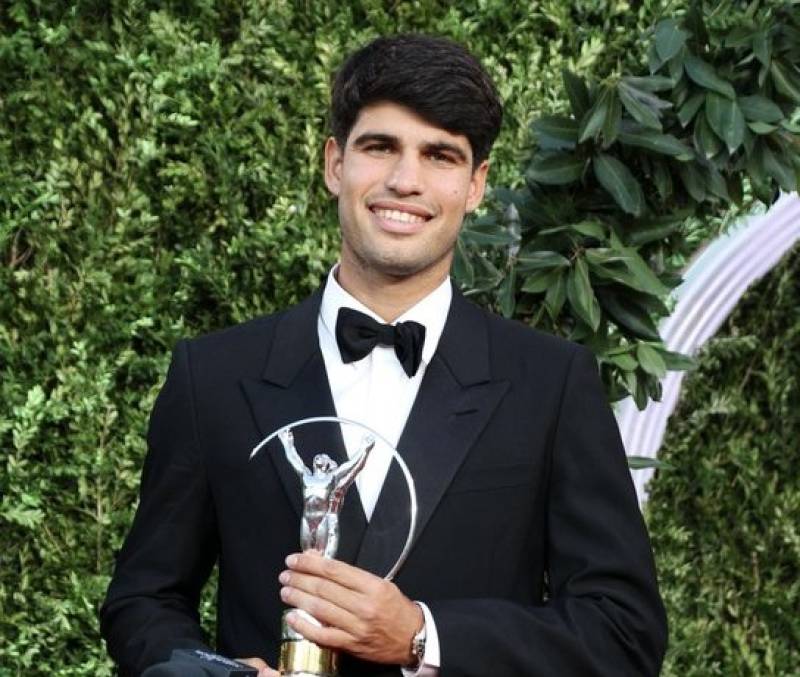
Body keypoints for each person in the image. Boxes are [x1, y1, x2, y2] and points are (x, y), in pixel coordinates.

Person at [101, 34, 667, 676]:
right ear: (334, 163)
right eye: (380, 147)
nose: (405, 181)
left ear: (476, 185)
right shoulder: (212, 375)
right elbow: (143, 602)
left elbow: (623, 632)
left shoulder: (551, 382)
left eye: (440, 156)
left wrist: (423, 636)